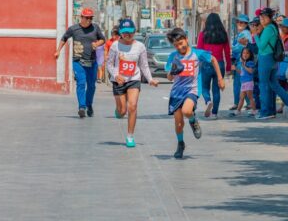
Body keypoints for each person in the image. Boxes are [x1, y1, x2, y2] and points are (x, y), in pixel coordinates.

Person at [165, 28, 224, 159]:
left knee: (187, 111)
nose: (180, 47)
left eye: (181, 43)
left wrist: (220, 78)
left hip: (192, 90)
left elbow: (213, 59)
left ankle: (193, 120)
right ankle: (181, 144)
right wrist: (173, 71)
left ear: (186, 39)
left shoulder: (197, 54)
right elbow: (169, 77)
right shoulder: (172, 57)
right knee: (179, 123)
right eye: (176, 45)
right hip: (176, 92)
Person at [107, 18, 158, 148]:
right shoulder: (115, 45)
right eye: (124, 32)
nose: (127, 35)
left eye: (130, 32)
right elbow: (109, 64)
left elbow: (144, 65)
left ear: (135, 31)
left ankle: (130, 136)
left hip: (134, 79)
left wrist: (150, 79)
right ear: (120, 33)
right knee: (123, 111)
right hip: (118, 81)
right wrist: (116, 75)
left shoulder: (140, 46)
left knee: (133, 106)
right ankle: (119, 110)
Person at [55, 8, 105, 118]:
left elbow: (102, 39)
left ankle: (89, 104)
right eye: (87, 18)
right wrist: (58, 51)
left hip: (92, 62)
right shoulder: (74, 29)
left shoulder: (95, 28)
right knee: (81, 83)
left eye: (91, 18)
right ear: (81, 17)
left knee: (91, 86)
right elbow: (64, 38)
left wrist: (97, 44)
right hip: (78, 61)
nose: (89, 20)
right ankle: (82, 107)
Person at [257, 7, 288, 119]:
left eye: (264, 17)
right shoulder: (273, 27)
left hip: (265, 58)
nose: (262, 19)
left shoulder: (268, 29)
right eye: (261, 17)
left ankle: (265, 112)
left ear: (270, 18)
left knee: (264, 85)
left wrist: (255, 34)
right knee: (274, 85)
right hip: (272, 59)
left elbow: (261, 46)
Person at [197, 13, 231, 119]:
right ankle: (214, 113)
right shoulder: (223, 34)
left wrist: (197, 66)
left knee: (204, 87)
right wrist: (229, 67)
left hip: (206, 64)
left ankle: (208, 101)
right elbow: (227, 51)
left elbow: (199, 51)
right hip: (219, 64)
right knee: (216, 90)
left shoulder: (203, 34)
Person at [230, 15, 253, 110]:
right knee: (241, 82)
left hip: (242, 61)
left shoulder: (245, 33)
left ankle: (242, 103)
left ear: (246, 24)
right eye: (238, 22)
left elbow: (240, 48)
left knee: (240, 83)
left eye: (242, 22)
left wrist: (231, 48)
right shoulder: (242, 33)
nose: (240, 24)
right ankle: (244, 103)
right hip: (239, 61)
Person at [230, 46, 257, 117]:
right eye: (244, 53)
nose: (245, 54)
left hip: (248, 82)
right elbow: (242, 73)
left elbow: (251, 71)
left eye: (247, 53)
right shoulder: (243, 63)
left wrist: (244, 66)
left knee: (250, 97)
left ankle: (254, 110)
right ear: (241, 55)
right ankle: (238, 111)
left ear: (250, 55)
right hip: (243, 83)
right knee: (241, 98)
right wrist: (235, 68)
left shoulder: (250, 62)